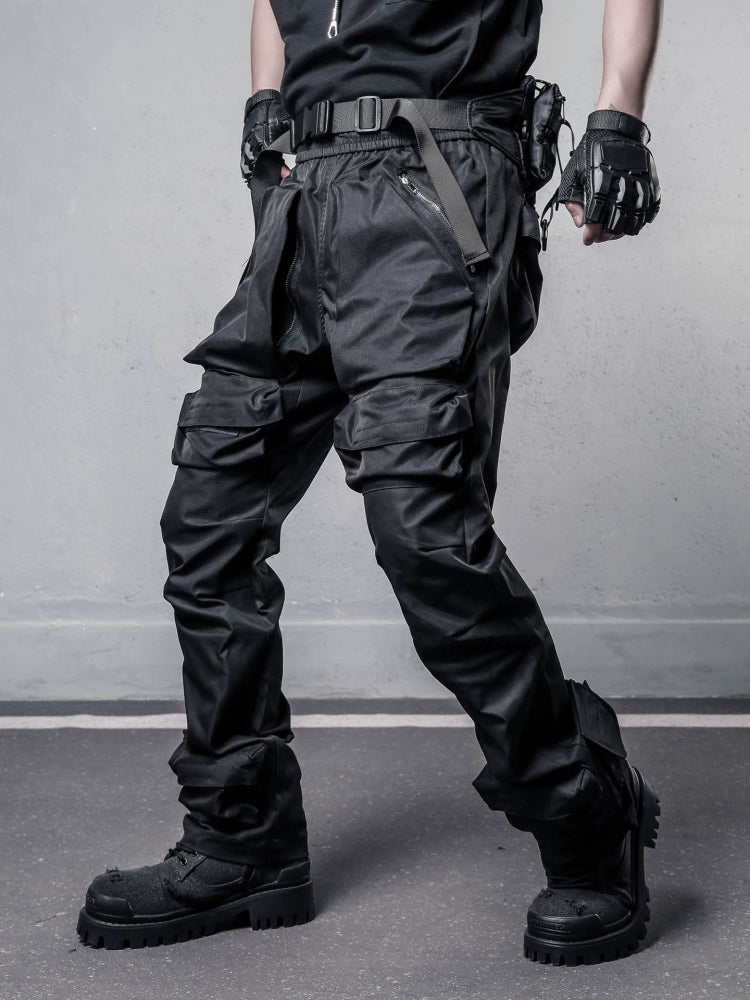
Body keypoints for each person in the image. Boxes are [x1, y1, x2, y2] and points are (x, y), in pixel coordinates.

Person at [77, 0, 663, 965]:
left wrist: (619, 116)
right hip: (310, 191)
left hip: (436, 177)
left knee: (423, 527)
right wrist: (265, 100)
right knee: (210, 514)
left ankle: (586, 810)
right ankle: (243, 837)